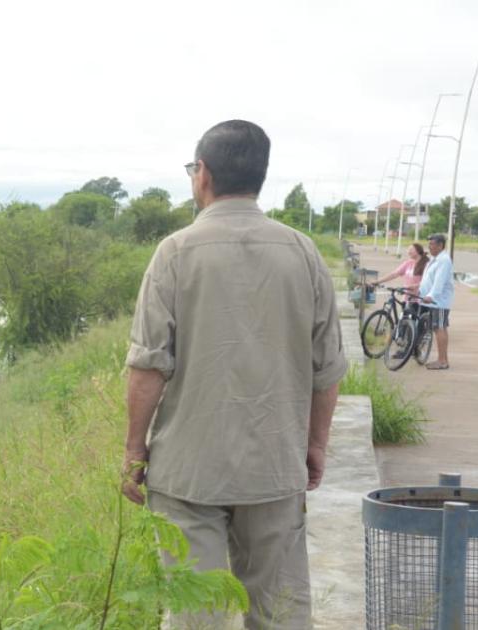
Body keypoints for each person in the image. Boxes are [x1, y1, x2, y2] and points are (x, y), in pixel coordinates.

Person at [123, 120, 347, 629]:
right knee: (279, 612)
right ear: (260, 177)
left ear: (202, 173)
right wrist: (315, 445)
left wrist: (134, 450)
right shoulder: (303, 253)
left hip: (188, 473)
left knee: (193, 614)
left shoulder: (175, 253)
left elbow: (148, 366)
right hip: (274, 464)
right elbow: (327, 368)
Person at [418, 233, 454, 370]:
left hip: (438, 301)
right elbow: (428, 279)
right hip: (433, 300)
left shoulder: (443, 260)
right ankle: (443, 359)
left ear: (440, 245)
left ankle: (442, 361)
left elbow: (439, 282)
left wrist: (431, 296)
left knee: (439, 328)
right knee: (440, 328)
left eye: (432, 244)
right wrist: (420, 291)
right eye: (429, 244)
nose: (430, 247)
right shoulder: (435, 259)